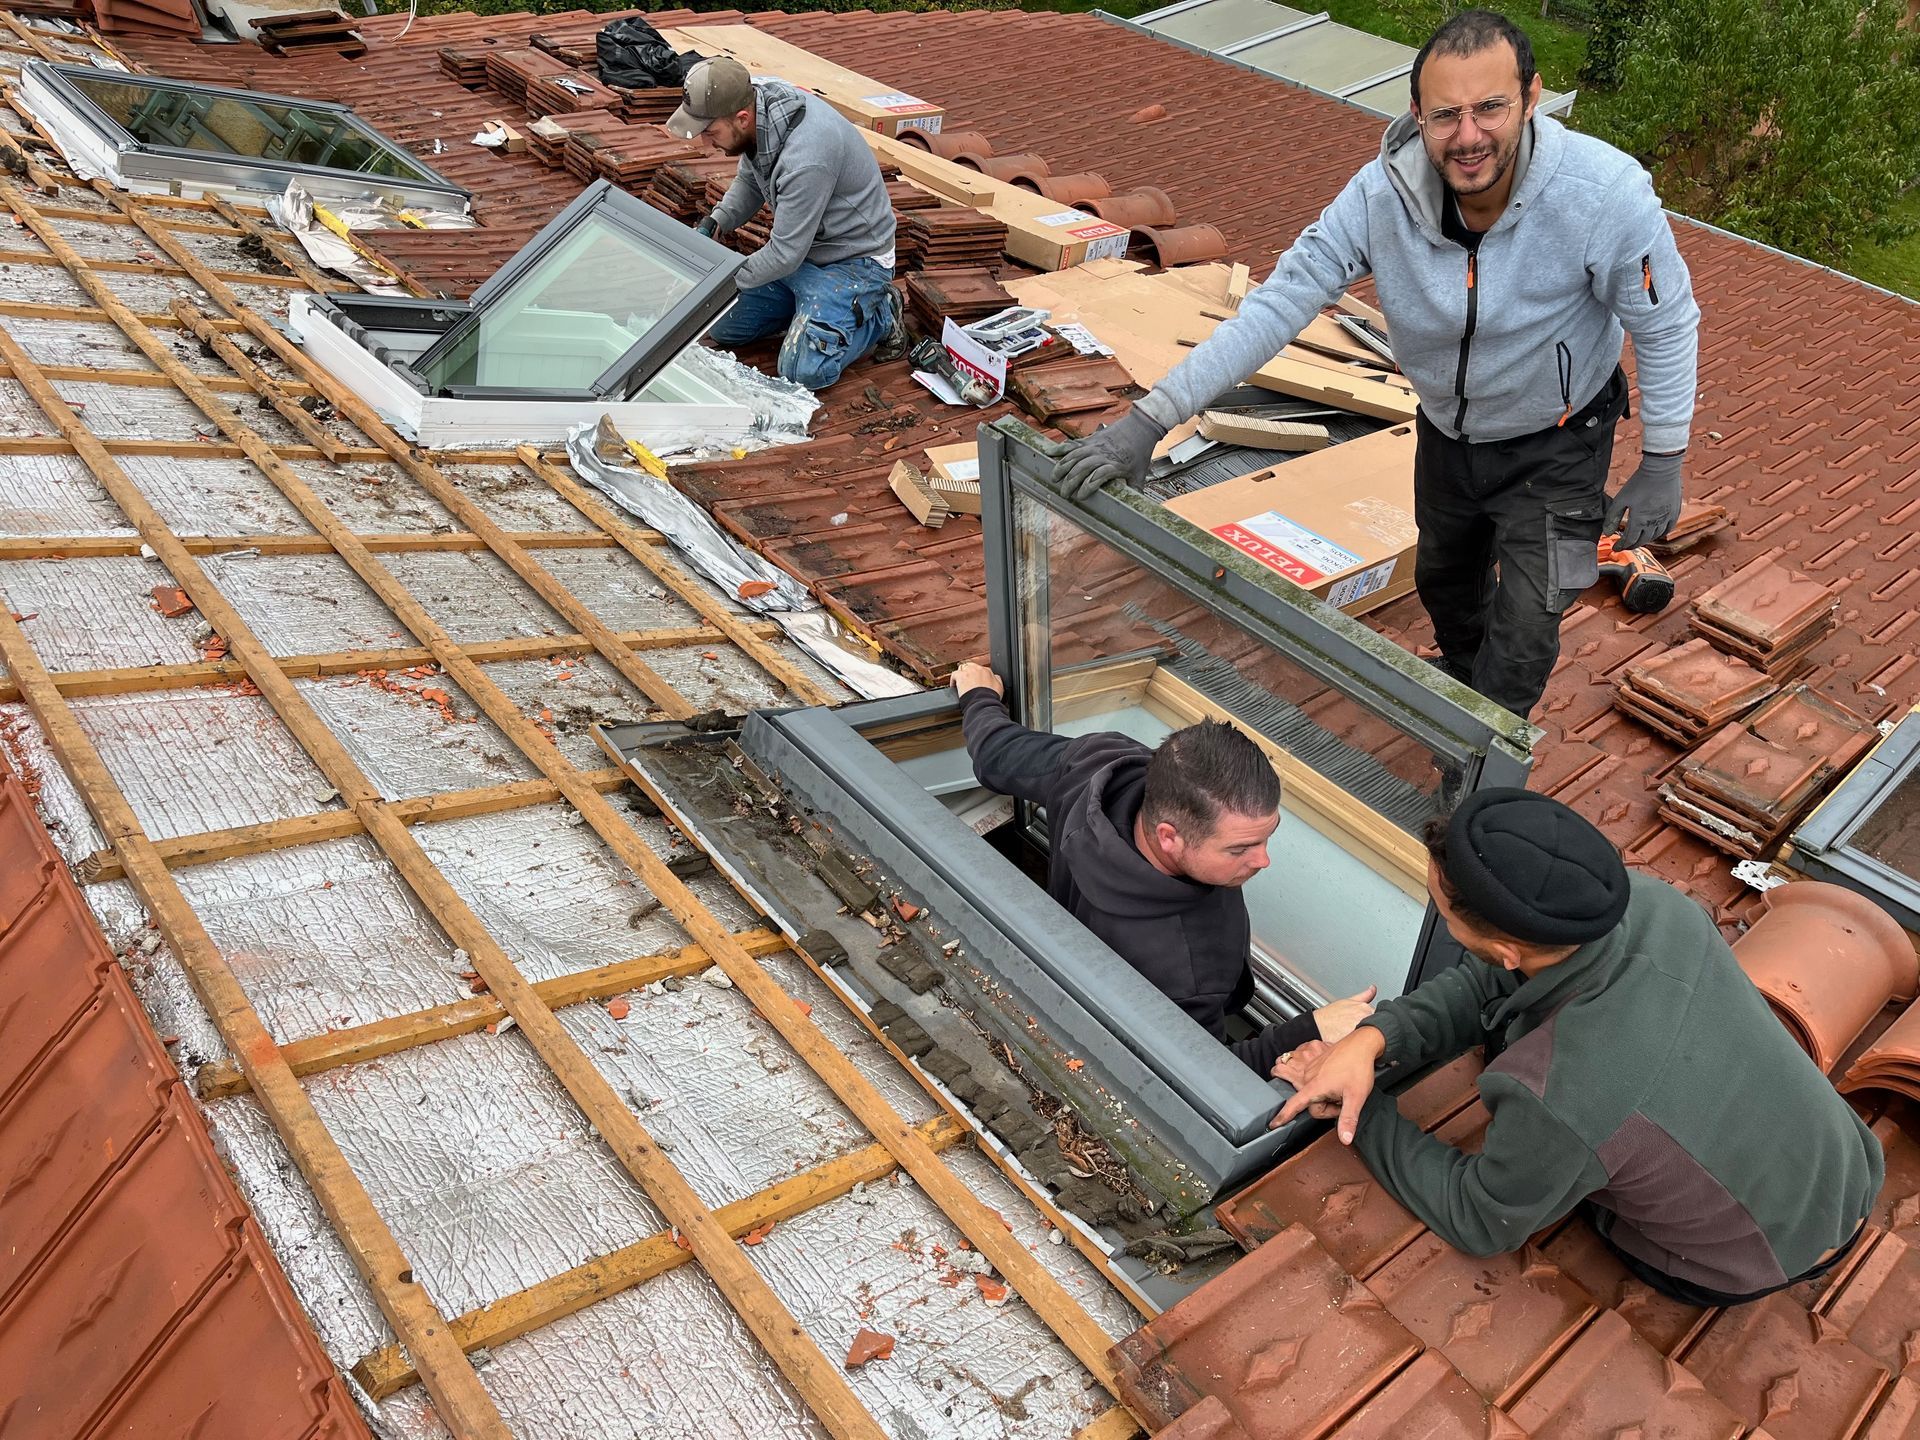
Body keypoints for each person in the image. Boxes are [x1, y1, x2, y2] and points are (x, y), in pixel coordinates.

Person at [1053, 10, 1701, 720]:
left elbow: (1665, 323)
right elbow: (1280, 306)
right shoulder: (1378, 197)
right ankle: (1462, 686)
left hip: (1560, 441)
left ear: (1532, 97)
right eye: (1446, 115)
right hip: (1449, 437)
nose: (1469, 136)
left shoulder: (1602, 197)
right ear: (1416, 114)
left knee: (1525, 630)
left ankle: (1479, 782)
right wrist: (1151, 420)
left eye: (1490, 108)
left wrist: (1664, 459)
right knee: (1447, 589)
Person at [1274, 789, 1881, 1305]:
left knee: (1573, 1169)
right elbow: (1496, 976)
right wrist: (1374, 1038)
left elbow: (1481, 1219)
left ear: (1509, 947)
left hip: (1747, 1260)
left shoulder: (1562, 1094)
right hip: (1847, 1165)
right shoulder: (1647, 904)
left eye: (1442, 907)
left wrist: (1368, 1107)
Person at [951, 662, 1376, 1076]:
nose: (1264, 860)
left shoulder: (1102, 767)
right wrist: (1312, 1029)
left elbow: (997, 755)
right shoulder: (1186, 965)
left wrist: (978, 697)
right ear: (1170, 837)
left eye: (1268, 835)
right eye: (1239, 849)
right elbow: (1210, 1077)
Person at [668, 57, 908, 391]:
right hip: (805, 252)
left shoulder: (806, 158)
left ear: (741, 118)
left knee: (803, 370)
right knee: (723, 326)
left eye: (710, 132)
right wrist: (716, 221)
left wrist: (715, 280)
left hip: (853, 262)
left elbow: (783, 255)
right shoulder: (761, 117)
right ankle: (808, 312)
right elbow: (751, 182)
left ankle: (880, 315)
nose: (706, 142)